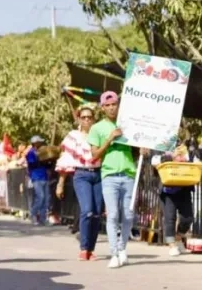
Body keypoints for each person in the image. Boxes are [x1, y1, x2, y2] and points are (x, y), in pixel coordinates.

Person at [88, 91, 142, 269]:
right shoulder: (97, 128)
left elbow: (136, 148)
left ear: (119, 105)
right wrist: (109, 139)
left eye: (114, 104)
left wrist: (142, 150)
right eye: (108, 105)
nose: (111, 108)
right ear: (103, 107)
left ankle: (122, 249)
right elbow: (94, 155)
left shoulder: (128, 124)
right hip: (109, 175)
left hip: (128, 174)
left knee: (127, 215)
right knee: (112, 215)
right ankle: (114, 253)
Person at [56, 103, 103, 261]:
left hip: (98, 174)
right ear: (78, 118)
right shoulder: (73, 136)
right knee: (87, 210)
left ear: (94, 119)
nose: (87, 120)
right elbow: (66, 159)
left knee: (96, 214)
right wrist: (61, 183)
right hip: (81, 174)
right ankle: (83, 248)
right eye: (83, 117)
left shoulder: (99, 135)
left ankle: (91, 249)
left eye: (90, 117)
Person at [150, 134, 198, 258]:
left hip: (184, 187)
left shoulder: (185, 148)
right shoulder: (160, 148)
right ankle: (172, 245)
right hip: (168, 190)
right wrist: (170, 156)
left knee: (187, 218)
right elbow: (154, 161)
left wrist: (185, 157)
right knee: (169, 217)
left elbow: (195, 160)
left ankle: (178, 238)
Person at [26, 136, 50, 225]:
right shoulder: (31, 153)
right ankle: (32, 214)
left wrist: (48, 161)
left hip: (45, 177)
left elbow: (47, 165)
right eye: (39, 142)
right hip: (36, 177)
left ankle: (43, 219)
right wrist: (40, 159)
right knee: (40, 197)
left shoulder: (42, 152)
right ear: (35, 143)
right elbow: (32, 164)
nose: (41, 143)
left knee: (46, 199)